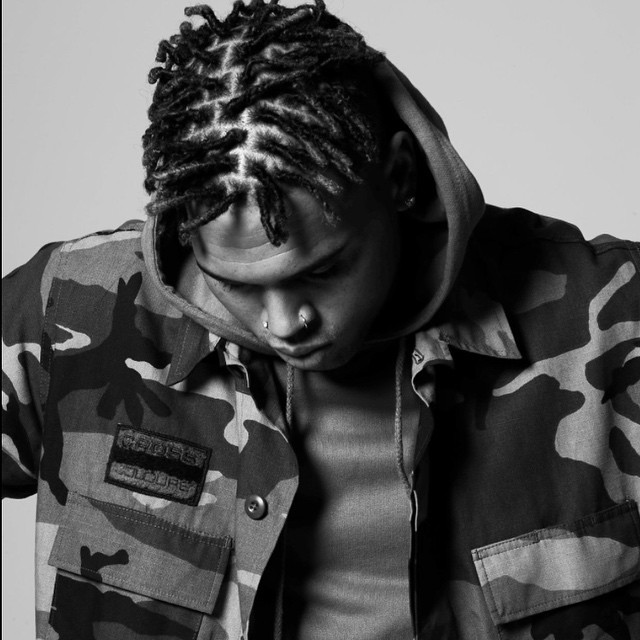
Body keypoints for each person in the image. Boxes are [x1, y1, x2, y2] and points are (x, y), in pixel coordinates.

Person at [2, 1, 639, 638]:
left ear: (399, 175)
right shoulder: (73, 304)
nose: (285, 322)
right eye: (234, 282)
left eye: (323, 270)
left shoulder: (615, 318)